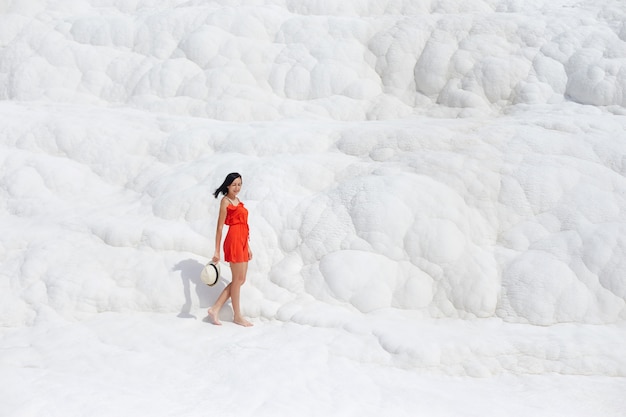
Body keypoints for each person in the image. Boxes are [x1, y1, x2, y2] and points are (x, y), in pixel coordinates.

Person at [207, 172, 253, 327]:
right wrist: (217, 251)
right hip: (233, 240)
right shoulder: (225, 201)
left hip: (243, 241)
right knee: (237, 279)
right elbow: (219, 228)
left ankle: (215, 308)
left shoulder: (238, 200)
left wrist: (248, 246)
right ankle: (237, 316)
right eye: (234, 184)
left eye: (239, 184)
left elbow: (244, 226)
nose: (237, 187)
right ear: (227, 185)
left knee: (240, 280)